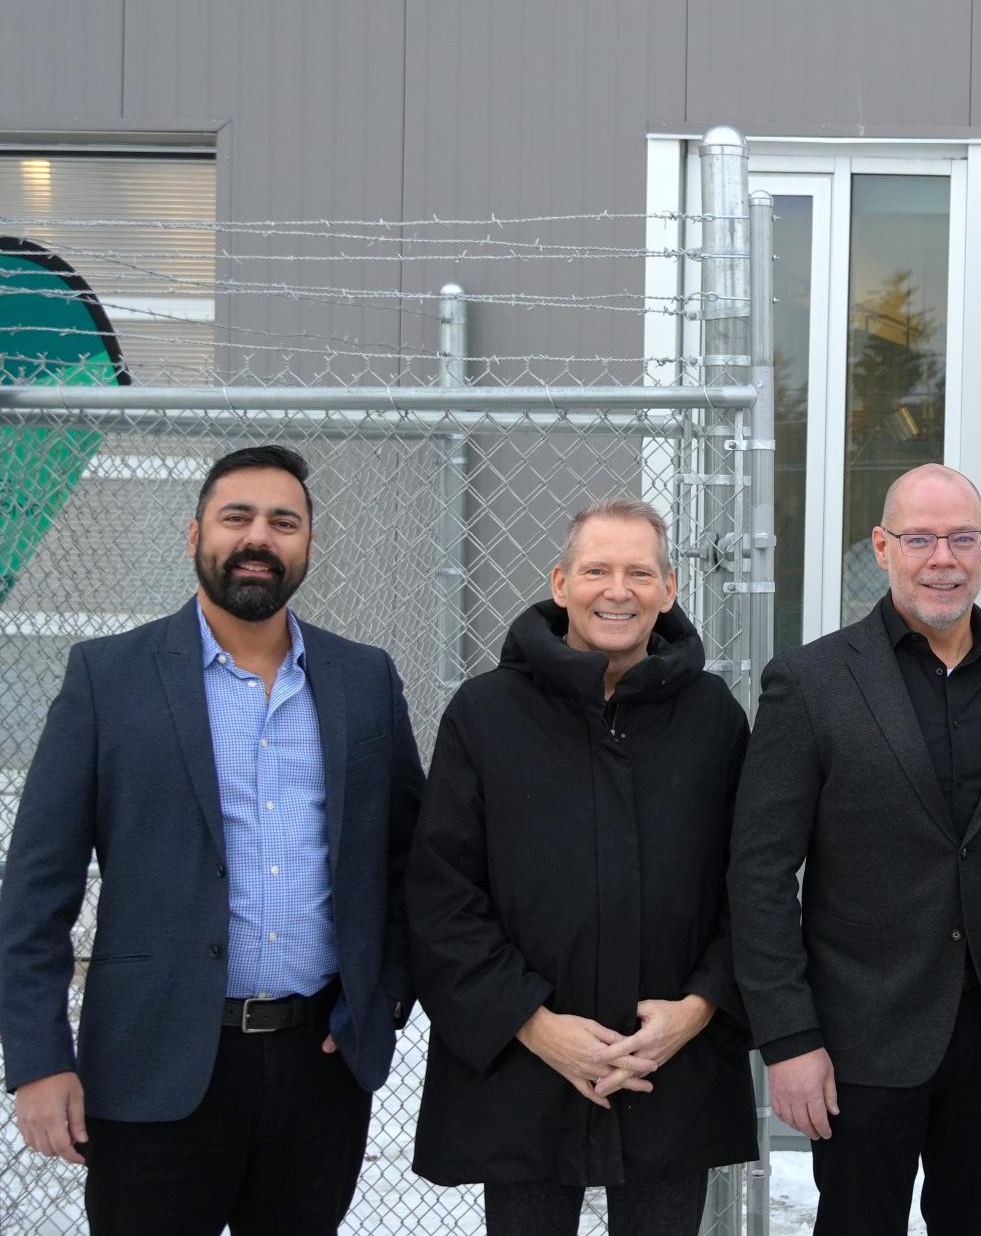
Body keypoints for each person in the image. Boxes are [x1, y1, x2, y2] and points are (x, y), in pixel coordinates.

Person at [0, 444, 424, 1236]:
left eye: (283, 521)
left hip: (318, 1065)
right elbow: (34, 889)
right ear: (194, 531)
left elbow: (409, 859)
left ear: (306, 544)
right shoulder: (108, 676)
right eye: (238, 517)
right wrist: (38, 1058)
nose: (259, 536)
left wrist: (384, 997)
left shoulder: (364, 679)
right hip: (151, 1064)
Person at [729, 465, 981, 1235]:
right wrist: (789, 1039)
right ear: (882, 548)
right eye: (919, 538)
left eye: (960, 538)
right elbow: (758, 873)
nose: (940, 557)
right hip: (858, 1038)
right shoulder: (812, 683)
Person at [407, 498, 756, 1235]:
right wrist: (534, 1026)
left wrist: (696, 1010)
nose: (617, 589)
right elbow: (442, 894)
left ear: (669, 590)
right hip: (526, 1069)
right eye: (597, 569)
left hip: (670, 1067)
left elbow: (750, 884)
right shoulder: (486, 714)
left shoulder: (714, 718)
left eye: (639, 572)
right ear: (561, 582)